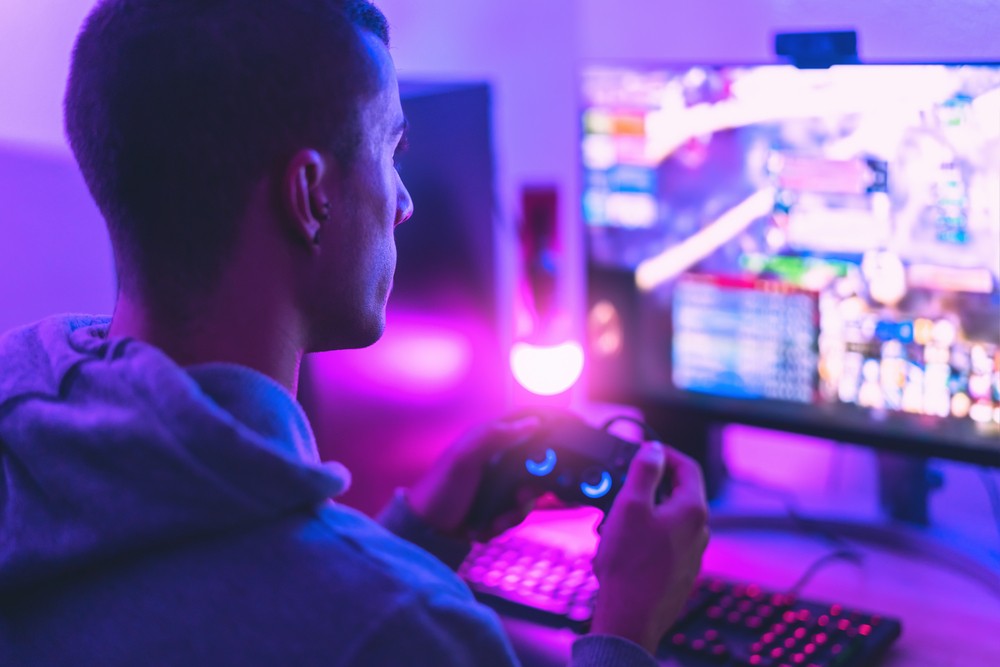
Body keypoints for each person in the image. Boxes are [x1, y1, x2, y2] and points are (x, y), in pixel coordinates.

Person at [0, 1, 709, 665]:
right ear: (311, 196)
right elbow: (332, 609)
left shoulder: (28, 433)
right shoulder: (410, 627)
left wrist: (419, 535)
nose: (403, 203)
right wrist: (625, 621)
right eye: (390, 152)